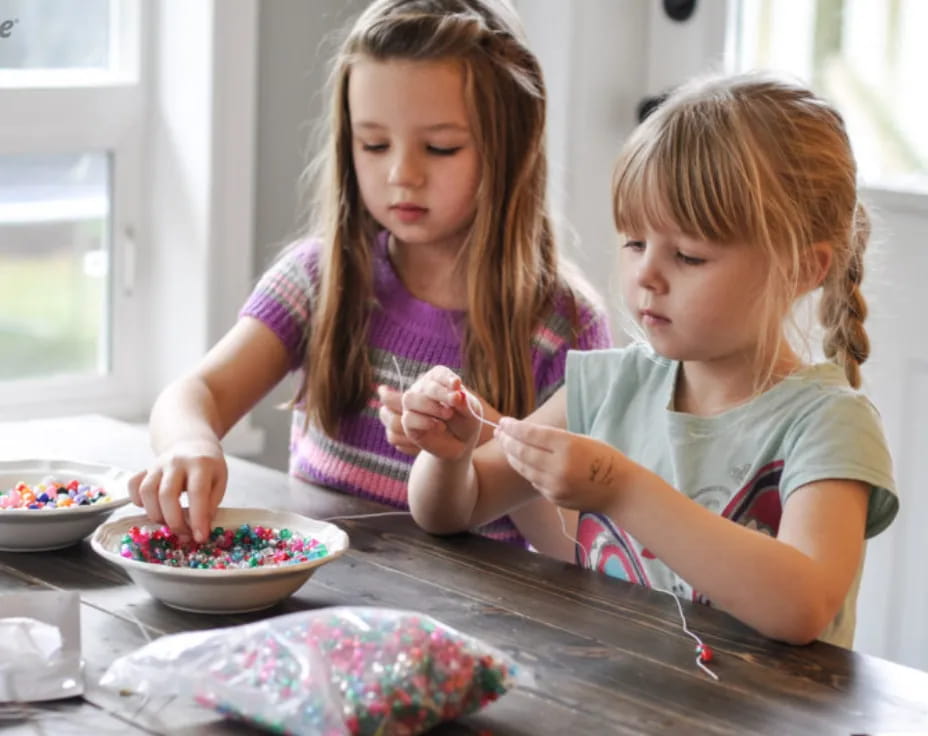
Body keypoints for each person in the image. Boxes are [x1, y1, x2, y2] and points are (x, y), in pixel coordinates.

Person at [399, 72, 898, 647]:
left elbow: (801, 605)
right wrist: (449, 457)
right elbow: (455, 510)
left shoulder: (829, 425)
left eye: (688, 255)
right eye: (635, 243)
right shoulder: (611, 385)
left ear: (803, 270)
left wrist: (619, 488)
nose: (646, 276)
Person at [127, 0, 611, 550]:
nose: (402, 174)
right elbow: (196, 392)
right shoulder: (320, 278)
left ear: (511, 146)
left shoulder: (564, 325)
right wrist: (190, 443)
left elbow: (572, 545)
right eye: (374, 144)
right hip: (318, 603)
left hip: (475, 620)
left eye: (440, 147)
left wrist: (480, 439)